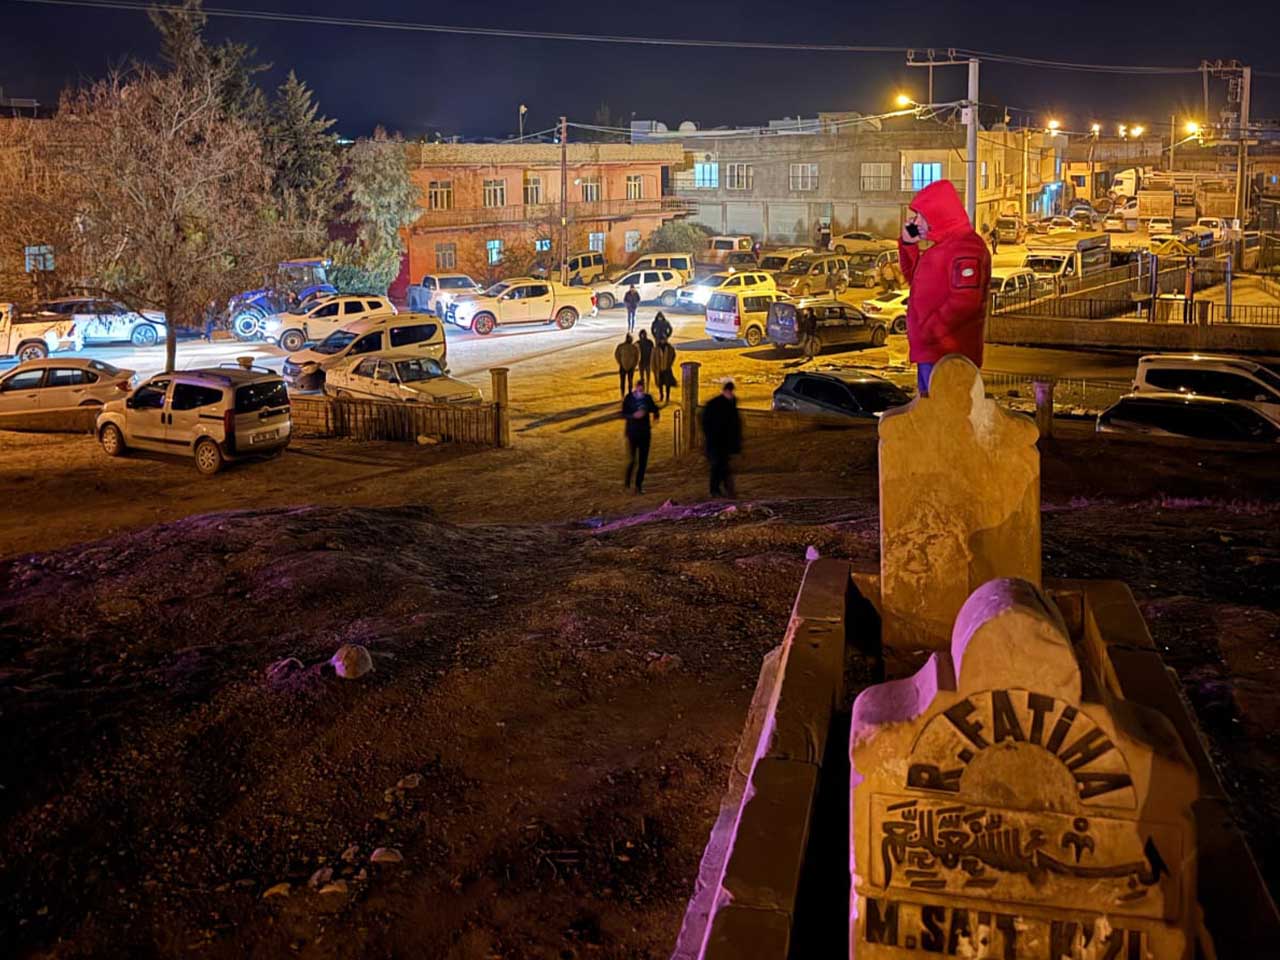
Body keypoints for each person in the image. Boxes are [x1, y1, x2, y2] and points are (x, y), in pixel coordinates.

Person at [898, 179, 992, 397]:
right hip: (932, 353)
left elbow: (965, 302)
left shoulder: (967, 248)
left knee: (947, 422)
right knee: (932, 420)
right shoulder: (943, 248)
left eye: (921, 215)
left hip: (949, 357)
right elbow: (914, 280)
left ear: (937, 215)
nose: (916, 221)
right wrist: (908, 245)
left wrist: (930, 330)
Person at [701, 380, 742, 498]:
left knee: (722, 466)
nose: (730, 393)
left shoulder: (731, 402)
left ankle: (723, 490)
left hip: (725, 442)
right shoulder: (714, 404)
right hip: (715, 442)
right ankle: (717, 490)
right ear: (725, 391)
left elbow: (735, 424)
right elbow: (706, 422)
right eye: (728, 391)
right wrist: (710, 435)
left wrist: (736, 442)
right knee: (718, 466)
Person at [621, 379, 660, 494]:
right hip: (632, 433)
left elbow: (655, 409)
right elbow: (623, 413)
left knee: (643, 462)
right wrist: (633, 415)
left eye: (642, 388)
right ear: (636, 387)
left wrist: (655, 417)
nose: (641, 390)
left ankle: (638, 486)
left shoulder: (647, 398)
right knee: (632, 460)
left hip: (644, 434)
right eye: (639, 388)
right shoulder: (629, 398)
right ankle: (627, 483)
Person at [653, 338, 677, 403]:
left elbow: (674, 355)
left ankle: (667, 397)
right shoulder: (656, 348)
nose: (663, 341)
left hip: (667, 369)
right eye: (662, 339)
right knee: (660, 384)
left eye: (664, 339)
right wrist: (654, 368)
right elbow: (653, 359)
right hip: (659, 369)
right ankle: (661, 396)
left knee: (667, 384)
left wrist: (670, 363)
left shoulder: (669, 348)